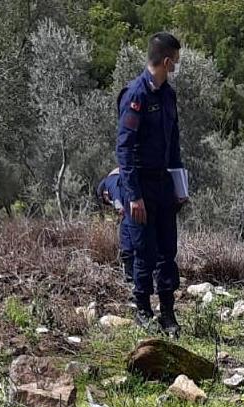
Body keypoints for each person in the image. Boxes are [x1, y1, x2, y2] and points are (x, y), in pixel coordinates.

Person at [116, 32, 187, 338]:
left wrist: (179, 186)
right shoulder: (136, 95)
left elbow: (174, 144)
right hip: (141, 186)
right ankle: (143, 311)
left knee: (167, 250)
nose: (175, 68)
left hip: (163, 185)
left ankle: (168, 312)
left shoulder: (168, 95)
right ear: (166, 60)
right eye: (175, 63)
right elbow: (125, 149)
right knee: (143, 251)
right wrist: (133, 195)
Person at [96, 168, 133, 285]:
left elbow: (120, 206)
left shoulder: (110, 184)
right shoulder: (116, 177)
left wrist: (119, 213)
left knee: (127, 245)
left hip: (131, 213)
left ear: (105, 195)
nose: (108, 204)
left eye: (106, 202)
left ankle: (130, 278)